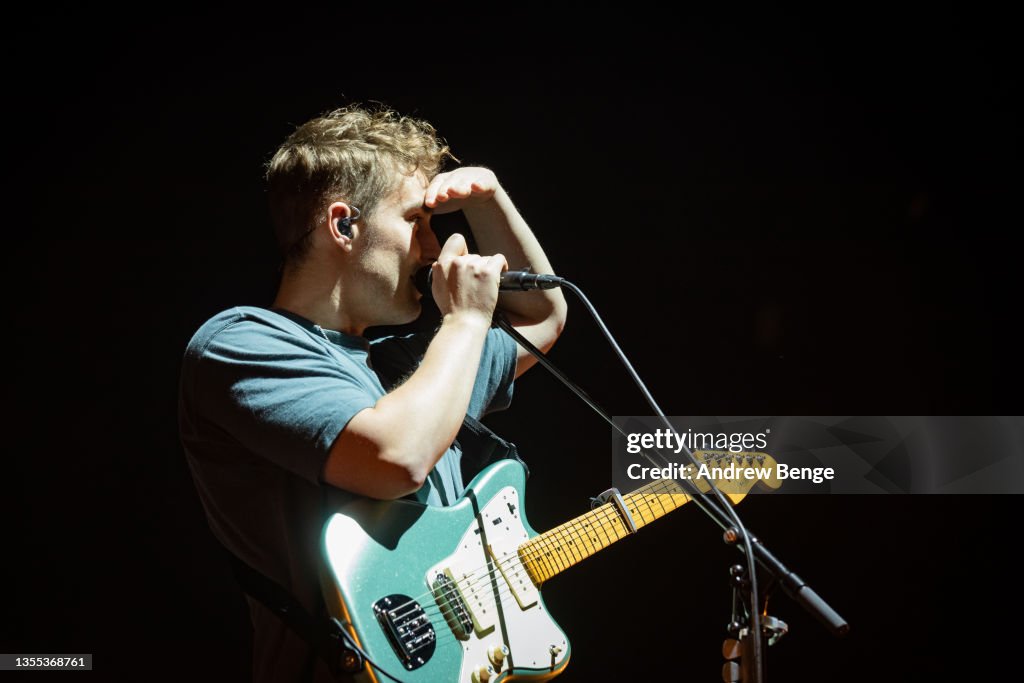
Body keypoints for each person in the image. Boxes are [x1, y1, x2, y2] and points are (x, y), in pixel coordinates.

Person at [178, 104, 567, 682]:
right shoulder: (239, 343)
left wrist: (491, 199)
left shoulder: (410, 365)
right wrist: (463, 322)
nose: (435, 248)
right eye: (418, 221)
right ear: (343, 225)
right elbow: (396, 458)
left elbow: (542, 318)